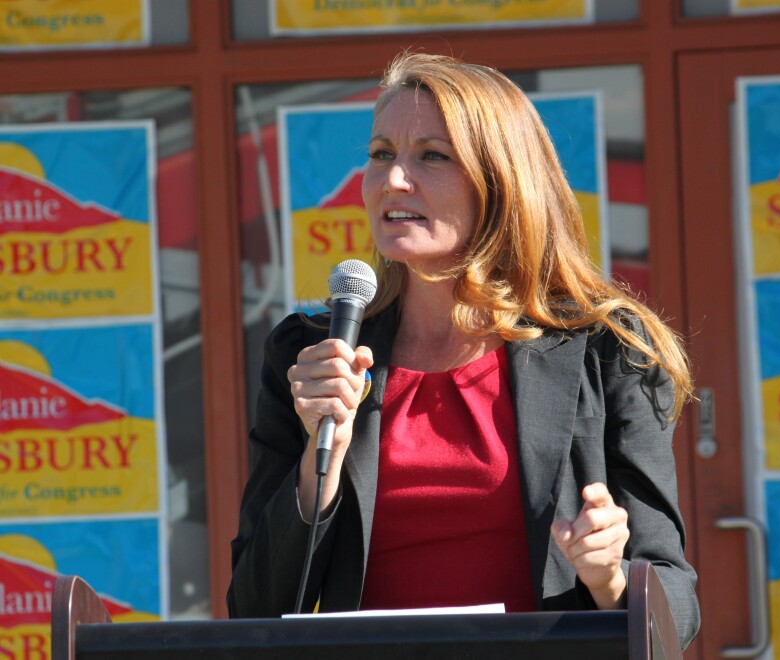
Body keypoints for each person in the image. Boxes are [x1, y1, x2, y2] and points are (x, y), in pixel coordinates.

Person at [227, 52, 700, 649]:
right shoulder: (312, 354)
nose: (394, 180)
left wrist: (609, 577)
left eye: (432, 155)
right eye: (381, 154)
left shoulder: (607, 350)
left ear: (500, 181)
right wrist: (318, 464)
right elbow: (254, 607)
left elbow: (675, 607)